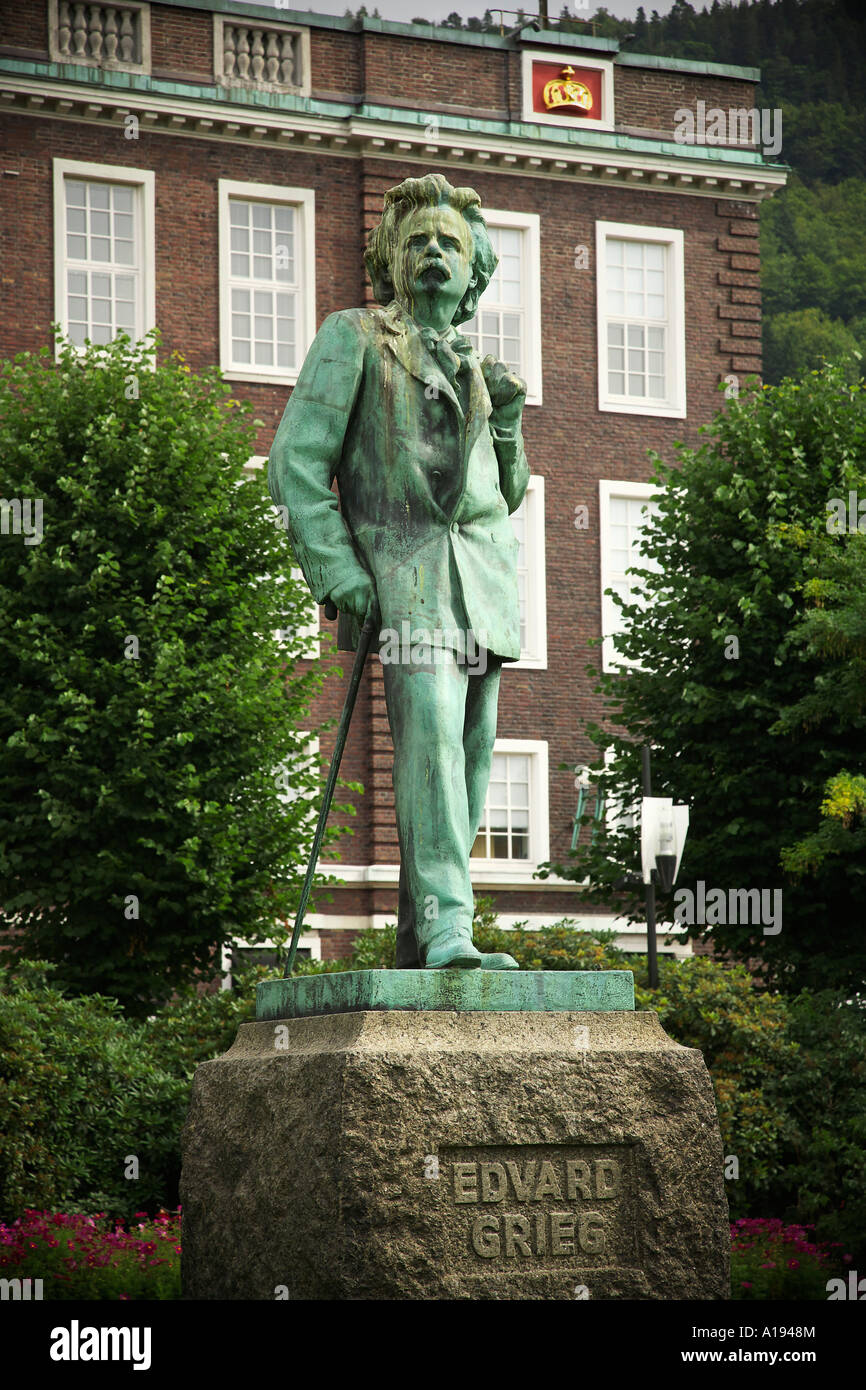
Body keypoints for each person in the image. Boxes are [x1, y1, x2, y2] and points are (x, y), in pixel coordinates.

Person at [269, 173, 529, 969]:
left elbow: (501, 495)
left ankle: (425, 937)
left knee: (472, 755)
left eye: (451, 245)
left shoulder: (480, 368)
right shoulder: (354, 335)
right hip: (404, 573)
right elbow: (294, 462)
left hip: (484, 585)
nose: (434, 256)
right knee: (431, 748)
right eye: (418, 242)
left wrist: (509, 425)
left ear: (475, 271)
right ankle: (451, 924)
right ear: (392, 258)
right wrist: (336, 568)